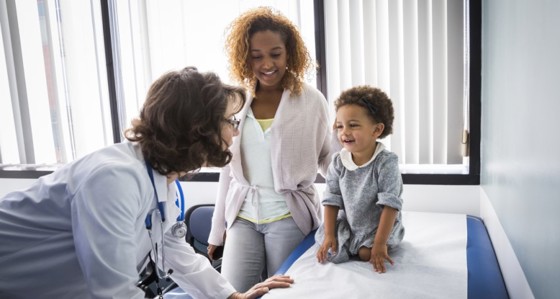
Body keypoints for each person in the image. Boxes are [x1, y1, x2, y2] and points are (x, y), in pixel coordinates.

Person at [0, 67, 293, 299]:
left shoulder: (161, 180)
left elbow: (173, 251)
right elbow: (115, 291)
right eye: (230, 121)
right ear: (197, 127)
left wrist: (230, 295)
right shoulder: (112, 180)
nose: (235, 133)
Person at [207, 7, 333, 292]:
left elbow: (329, 159)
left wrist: (361, 175)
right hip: (242, 216)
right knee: (234, 292)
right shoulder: (237, 101)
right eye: (256, 56)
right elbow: (227, 168)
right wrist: (217, 229)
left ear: (289, 53)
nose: (267, 64)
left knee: (285, 293)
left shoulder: (312, 100)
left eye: (275, 54)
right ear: (245, 57)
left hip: (289, 216)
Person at [315, 85, 405, 273]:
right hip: (349, 222)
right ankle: (347, 241)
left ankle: (370, 244)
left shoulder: (385, 163)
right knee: (331, 248)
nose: (344, 132)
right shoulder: (338, 162)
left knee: (366, 254)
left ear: (376, 130)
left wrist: (380, 244)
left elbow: (390, 205)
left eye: (353, 125)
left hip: (377, 225)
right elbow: (331, 199)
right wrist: (330, 234)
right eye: (339, 126)